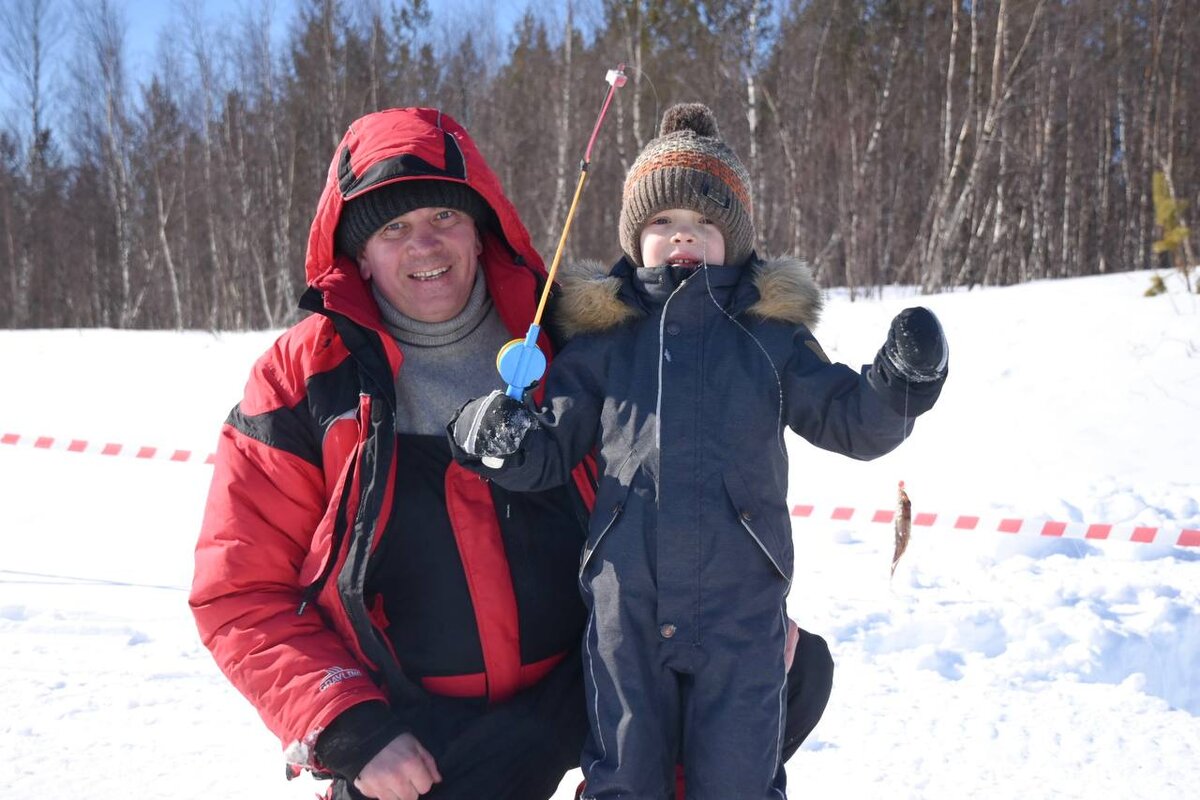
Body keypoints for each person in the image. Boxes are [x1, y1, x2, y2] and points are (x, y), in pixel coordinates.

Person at [189, 106, 835, 800]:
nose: (424, 245)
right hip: (424, 727)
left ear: (480, 225)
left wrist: (732, 613)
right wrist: (347, 725)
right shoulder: (301, 380)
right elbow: (240, 592)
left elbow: (688, 477)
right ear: (358, 255)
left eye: (444, 216)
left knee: (788, 670)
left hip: (597, 671)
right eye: (393, 228)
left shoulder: (574, 334)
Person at [449, 103, 949, 800]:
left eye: (705, 223)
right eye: (662, 223)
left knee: (741, 776)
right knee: (624, 772)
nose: (683, 235)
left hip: (741, 610)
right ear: (635, 236)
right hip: (627, 606)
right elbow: (549, 447)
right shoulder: (605, 339)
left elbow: (848, 419)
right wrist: (496, 436)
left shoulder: (768, 337)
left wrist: (902, 382)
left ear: (734, 240)